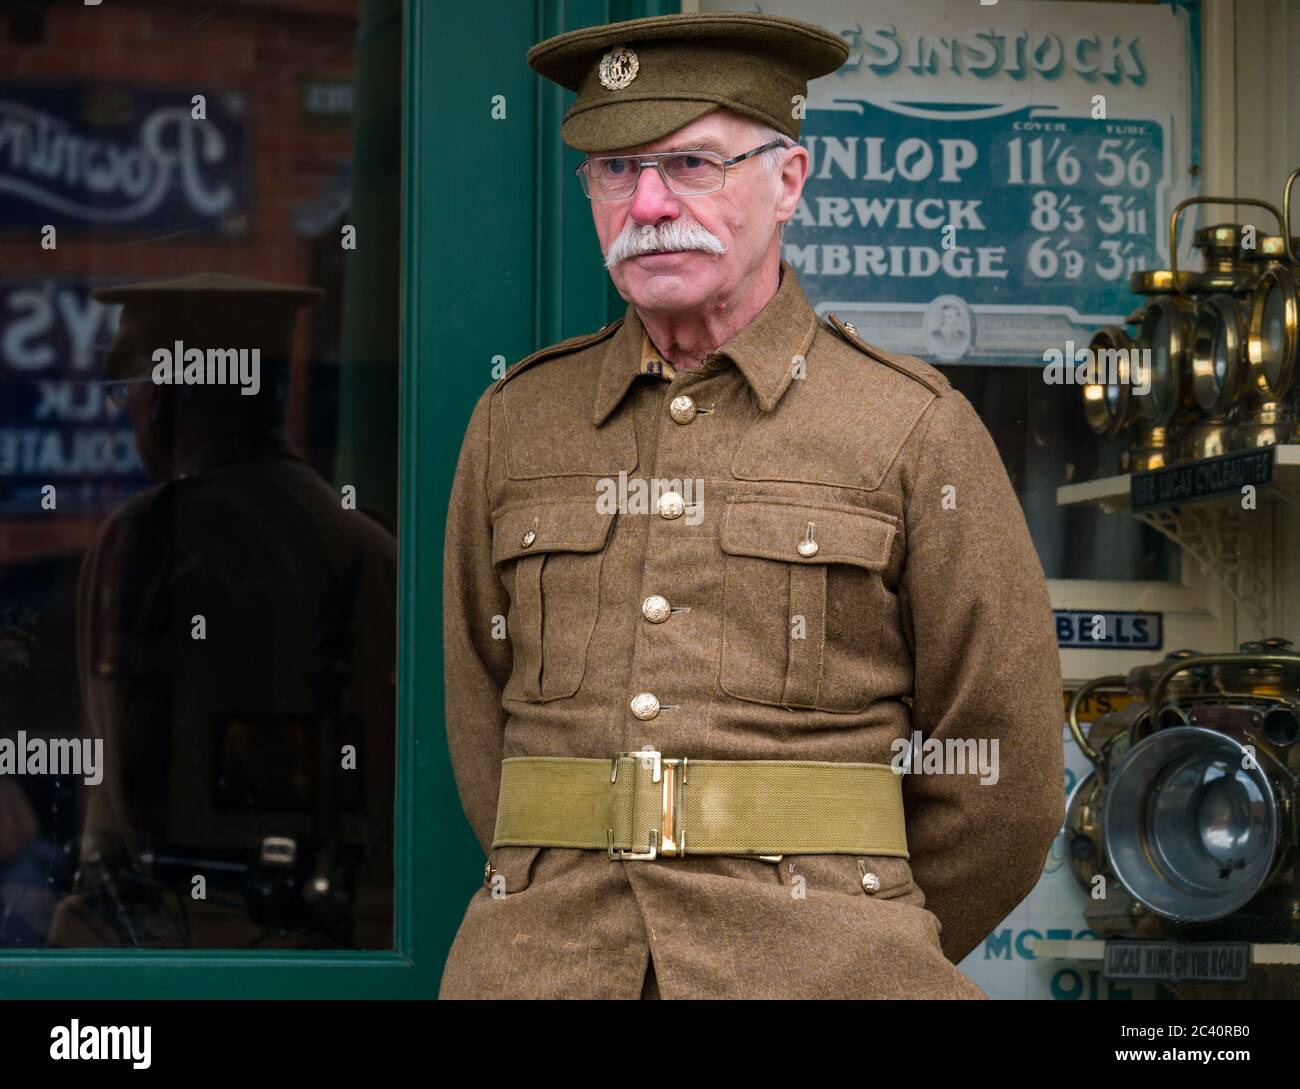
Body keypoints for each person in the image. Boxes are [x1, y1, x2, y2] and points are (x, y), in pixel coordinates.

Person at [439, 12, 1063, 999]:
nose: (648, 203)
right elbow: (483, 731)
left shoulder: (909, 426)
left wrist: (861, 938)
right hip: (543, 969)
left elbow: (1008, 780)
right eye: (614, 170)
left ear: (788, 181)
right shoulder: (517, 422)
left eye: (692, 164)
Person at [49, 274, 396, 949]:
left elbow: (119, 804)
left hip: (178, 947)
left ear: (165, 398)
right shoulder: (372, 546)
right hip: (347, 944)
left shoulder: (147, 538)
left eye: (131, 390)